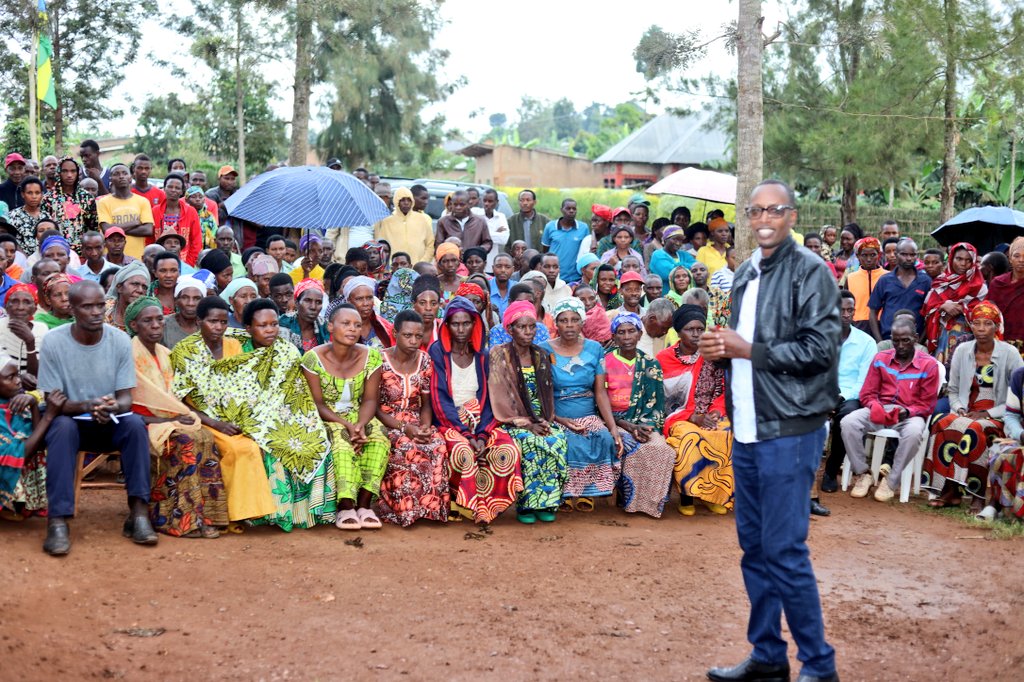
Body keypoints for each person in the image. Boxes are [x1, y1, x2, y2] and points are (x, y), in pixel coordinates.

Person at [701, 180, 839, 682]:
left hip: (790, 429)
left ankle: (819, 667)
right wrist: (722, 348)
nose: (764, 218)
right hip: (749, 429)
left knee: (784, 550)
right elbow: (740, 347)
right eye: (755, 210)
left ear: (792, 215)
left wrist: (747, 350)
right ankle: (767, 656)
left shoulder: (812, 272)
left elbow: (821, 350)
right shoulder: (743, 274)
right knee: (755, 549)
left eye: (774, 210)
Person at [176, 298, 334, 531]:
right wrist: (220, 421)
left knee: (313, 438)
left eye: (274, 324)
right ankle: (242, 514)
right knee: (252, 447)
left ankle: (298, 514)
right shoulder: (192, 350)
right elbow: (208, 394)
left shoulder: (244, 348)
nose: (219, 327)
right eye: (212, 321)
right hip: (212, 417)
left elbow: (286, 392)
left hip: (267, 414)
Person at [39, 280, 157, 555]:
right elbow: (53, 403)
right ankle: (58, 521)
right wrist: (87, 405)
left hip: (109, 420)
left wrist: (111, 406)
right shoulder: (54, 342)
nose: (95, 312)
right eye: (87, 306)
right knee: (61, 428)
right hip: (72, 422)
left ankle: (139, 514)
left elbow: (126, 397)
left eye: (99, 306)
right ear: (73, 309)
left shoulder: (118, 340)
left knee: (135, 424)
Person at [125, 296, 228, 537]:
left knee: (204, 436)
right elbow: (129, 406)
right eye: (147, 321)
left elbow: (174, 397)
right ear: (133, 325)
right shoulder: (128, 354)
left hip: (170, 419)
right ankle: (178, 520)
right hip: (141, 423)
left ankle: (207, 515)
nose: (155, 325)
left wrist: (178, 418)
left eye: (159, 319)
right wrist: (166, 422)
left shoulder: (165, 353)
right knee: (186, 442)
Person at [429, 296, 522, 523]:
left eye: (466, 323)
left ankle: (488, 504)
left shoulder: (484, 355)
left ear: (475, 324)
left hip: (482, 419)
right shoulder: (438, 353)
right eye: (455, 324)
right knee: (462, 451)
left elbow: (492, 397)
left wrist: (481, 433)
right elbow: (439, 399)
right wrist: (468, 435)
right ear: (447, 326)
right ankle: (460, 502)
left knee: (507, 450)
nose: (461, 329)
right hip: (449, 420)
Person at [922, 301, 1022, 510]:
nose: (981, 329)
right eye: (976, 323)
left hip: (999, 414)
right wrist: (959, 409)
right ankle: (949, 490)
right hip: (966, 410)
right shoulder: (962, 350)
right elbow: (954, 389)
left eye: (987, 324)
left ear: (996, 327)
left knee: (974, 430)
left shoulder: (1010, 353)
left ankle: (976, 494)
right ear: (971, 325)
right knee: (941, 422)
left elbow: (1017, 397)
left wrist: (987, 413)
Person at [301, 301, 391, 530]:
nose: (353, 329)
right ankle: (345, 506)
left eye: (357, 325)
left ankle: (364, 505)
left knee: (379, 437)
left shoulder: (371, 356)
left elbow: (370, 399)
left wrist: (360, 425)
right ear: (330, 327)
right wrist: (347, 426)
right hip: (327, 416)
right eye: (346, 323)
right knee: (341, 442)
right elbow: (317, 404)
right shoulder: (313, 359)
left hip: (358, 414)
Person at [842, 317, 940, 502]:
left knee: (914, 432)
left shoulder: (929, 365)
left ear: (916, 339)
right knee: (848, 422)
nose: (900, 345)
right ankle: (863, 473)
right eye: (896, 340)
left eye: (906, 340)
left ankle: (891, 482)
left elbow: (927, 404)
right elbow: (867, 393)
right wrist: (875, 406)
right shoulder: (881, 358)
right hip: (881, 409)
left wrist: (908, 412)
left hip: (910, 413)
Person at [488, 300, 568, 524]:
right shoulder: (498, 354)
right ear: (510, 329)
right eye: (522, 327)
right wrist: (526, 423)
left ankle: (548, 501)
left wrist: (544, 420)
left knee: (557, 439)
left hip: (539, 417)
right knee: (529, 441)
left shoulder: (541, 354)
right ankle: (526, 506)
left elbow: (546, 394)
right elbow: (500, 396)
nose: (528, 332)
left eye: (532, 326)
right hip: (510, 420)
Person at [539, 298, 622, 511]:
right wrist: (556, 417)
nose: (569, 325)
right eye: (564, 320)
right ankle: (566, 493)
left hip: (587, 410)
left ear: (582, 323)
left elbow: (600, 391)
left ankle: (588, 492)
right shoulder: (543, 350)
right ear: (556, 323)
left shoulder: (595, 349)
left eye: (574, 320)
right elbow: (540, 393)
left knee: (602, 436)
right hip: (556, 413)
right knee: (568, 439)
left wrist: (612, 426)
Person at [374, 309, 450, 527]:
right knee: (406, 447)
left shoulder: (425, 361)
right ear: (395, 333)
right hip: (386, 420)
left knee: (436, 445)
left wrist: (425, 427)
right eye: (408, 335)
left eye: (418, 336)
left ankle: (430, 509)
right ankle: (403, 510)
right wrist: (403, 427)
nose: (414, 340)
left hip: (416, 419)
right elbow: (374, 407)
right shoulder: (379, 360)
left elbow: (426, 405)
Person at [658, 304, 733, 516]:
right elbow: (663, 401)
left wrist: (716, 412)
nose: (696, 334)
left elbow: (723, 390)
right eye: (690, 329)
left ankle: (714, 495)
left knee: (725, 433)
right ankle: (687, 496)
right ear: (679, 331)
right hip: (679, 417)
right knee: (690, 437)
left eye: (700, 329)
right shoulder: (664, 359)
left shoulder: (713, 355)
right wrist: (694, 417)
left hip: (710, 413)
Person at [604, 311, 675, 517]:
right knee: (631, 445)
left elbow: (656, 404)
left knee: (660, 449)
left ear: (639, 334)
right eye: (621, 332)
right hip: (613, 420)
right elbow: (599, 403)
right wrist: (629, 426)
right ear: (614, 337)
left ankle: (650, 503)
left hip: (644, 420)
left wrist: (645, 426)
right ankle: (630, 501)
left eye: (631, 332)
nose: (626, 337)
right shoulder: (605, 362)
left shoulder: (651, 364)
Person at [820, 290, 879, 493]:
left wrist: (840, 397)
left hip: (850, 395)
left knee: (846, 418)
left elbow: (864, 382)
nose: (846, 314)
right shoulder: (820, 338)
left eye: (850, 310)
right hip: (821, 392)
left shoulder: (866, 343)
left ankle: (830, 471)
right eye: (841, 310)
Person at [921, 241, 988, 368]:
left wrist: (961, 308)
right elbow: (928, 309)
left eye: (968, 260)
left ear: (973, 262)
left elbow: (984, 313)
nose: (963, 264)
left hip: (969, 340)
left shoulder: (980, 286)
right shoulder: (940, 281)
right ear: (951, 258)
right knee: (941, 374)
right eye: (959, 259)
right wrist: (942, 306)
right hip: (941, 338)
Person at [980, 366, 1024, 520]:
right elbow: (1011, 414)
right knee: (1002, 452)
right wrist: (1020, 433)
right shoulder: (1020, 375)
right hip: (1022, 437)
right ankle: (995, 504)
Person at [867, 238, 931, 341]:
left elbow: (931, 315)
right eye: (904, 254)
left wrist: (920, 341)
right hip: (888, 339)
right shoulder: (885, 280)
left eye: (912, 254)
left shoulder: (925, 281)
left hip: (914, 341)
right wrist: (879, 341)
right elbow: (873, 311)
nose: (909, 258)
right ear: (896, 255)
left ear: (917, 256)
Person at [96, 163, 155, 260]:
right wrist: (135, 223)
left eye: (124, 173)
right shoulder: (103, 202)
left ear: (130, 178)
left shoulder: (142, 201)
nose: (121, 177)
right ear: (110, 179)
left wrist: (115, 230)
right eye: (116, 174)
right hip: (111, 259)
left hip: (137, 257)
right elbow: (106, 230)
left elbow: (148, 230)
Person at [373, 186, 434, 265]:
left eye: (409, 200)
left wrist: (423, 262)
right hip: (394, 267)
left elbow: (430, 244)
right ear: (396, 201)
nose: (406, 203)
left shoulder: (422, 219)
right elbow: (381, 245)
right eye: (402, 200)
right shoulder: (387, 221)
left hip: (418, 267)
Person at [151, 173, 201, 266]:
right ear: (164, 189)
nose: (173, 190)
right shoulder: (155, 211)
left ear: (182, 191)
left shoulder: (191, 211)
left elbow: (196, 242)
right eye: (170, 187)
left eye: (177, 188)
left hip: (185, 262)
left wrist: (188, 265)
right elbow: (150, 239)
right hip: (159, 262)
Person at [0, 283, 48, 376]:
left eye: (27, 302)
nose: (20, 307)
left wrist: (30, 343)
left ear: (34, 309)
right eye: (14, 301)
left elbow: (36, 375)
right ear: (6, 307)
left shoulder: (41, 329)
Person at [987, 237, 1024, 357]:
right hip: (1000, 341)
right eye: (1016, 256)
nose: (1021, 260)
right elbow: (989, 311)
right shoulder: (998, 283)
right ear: (1010, 259)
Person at [542, 199, 590, 284]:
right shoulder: (550, 226)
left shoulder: (583, 228)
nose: (571, 211)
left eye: (574, 209)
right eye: (568, 208)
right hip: (555, 276)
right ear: (562, 210)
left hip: (575, 277)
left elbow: (585, 251)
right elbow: (545, 251)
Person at [845, 236, 885, 333]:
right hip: (857, 326)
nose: (868, 259)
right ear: (858, 256)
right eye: (864, 255)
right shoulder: (850, 278)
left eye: (872, 255)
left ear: (879, 255)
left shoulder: (887, 277)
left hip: (883, 325)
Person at [342, 275, 394, 349]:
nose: (365, 303)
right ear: (349, 301)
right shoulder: (341, 329)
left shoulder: (385, 326)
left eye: (369, 298)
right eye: (359, 299)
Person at [280, 278, 329, 352]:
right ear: (296, 303)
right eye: (307, 300)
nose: (313, 307)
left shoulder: (324, 326)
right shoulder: (283, 325)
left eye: (318, 302)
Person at [7, 177, 50, 255]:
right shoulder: (13, 216)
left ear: (42, 194)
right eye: (30, 193)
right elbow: (10, 240)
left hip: (45, 258)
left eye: (37, 193)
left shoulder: (47, 216)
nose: (34, 196)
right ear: (23, 194)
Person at [104, 260, 150, 331]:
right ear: (119, 287)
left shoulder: (147, 316)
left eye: (144, 287)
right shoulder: (103, 310)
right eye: (135, 284)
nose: (140, 290)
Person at [161, 277, 204, 349]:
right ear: (176, 301)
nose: (191, 303)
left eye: (196, 298)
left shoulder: (208, 327)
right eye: (185, 297)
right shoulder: (162, 325)